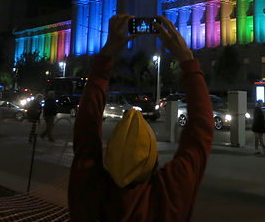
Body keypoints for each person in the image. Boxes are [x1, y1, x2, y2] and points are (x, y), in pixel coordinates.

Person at [68, 14, 215, 221]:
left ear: (108, 155)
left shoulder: (89, 189)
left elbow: (86, 128)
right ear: (153, 158)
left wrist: (106, 54)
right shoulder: (168, 194)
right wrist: (187, 58)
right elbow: (202, 129)